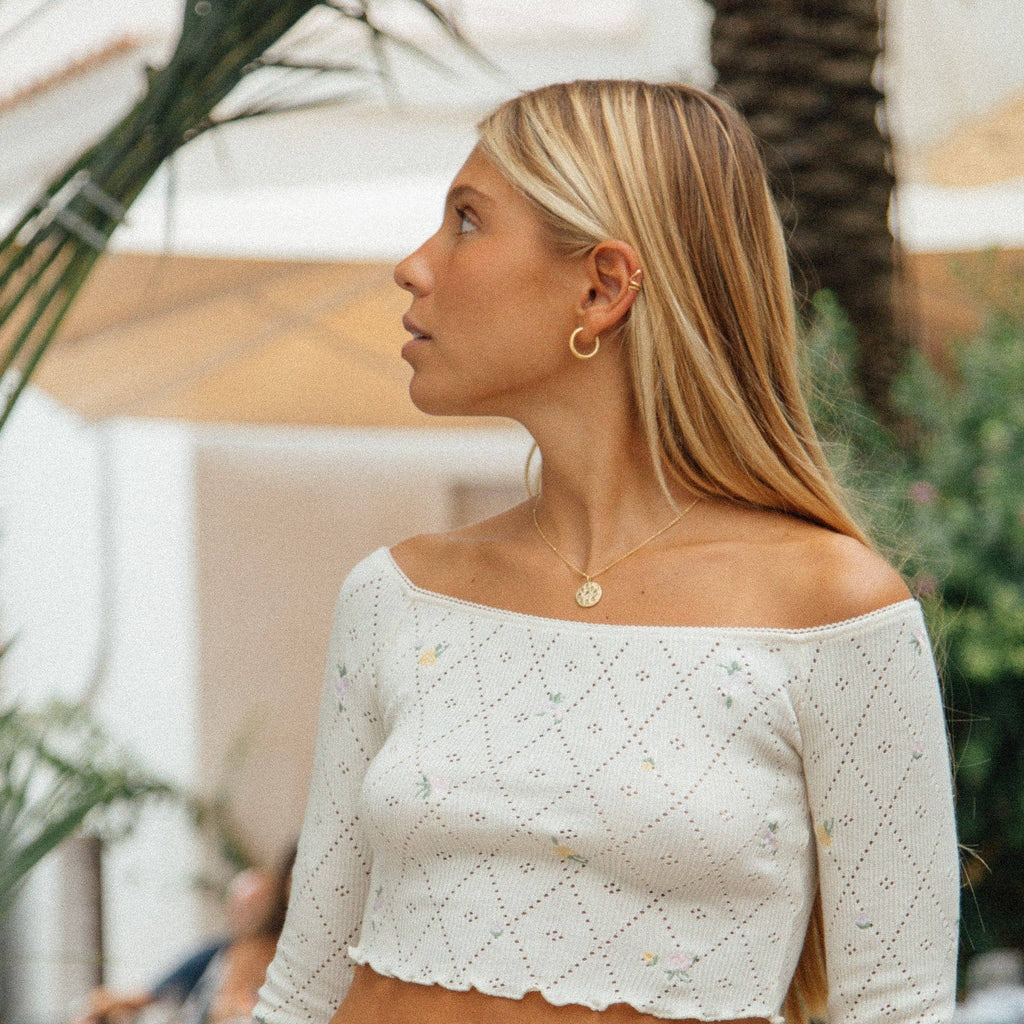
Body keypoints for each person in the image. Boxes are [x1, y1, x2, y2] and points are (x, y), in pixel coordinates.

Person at [251, 78, 960, 1024]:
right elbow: (304, 989)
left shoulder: (830, 611)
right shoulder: (399, 596)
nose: (414, 267)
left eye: (466, 221)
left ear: (602, 286)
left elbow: (898, 1009)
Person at [75, 844, 295, 1024]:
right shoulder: (215, 954)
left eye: (257, 906)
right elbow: (148, 994)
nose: (247, 915)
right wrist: (99, 1004)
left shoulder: (283, 958)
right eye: (241, 906)